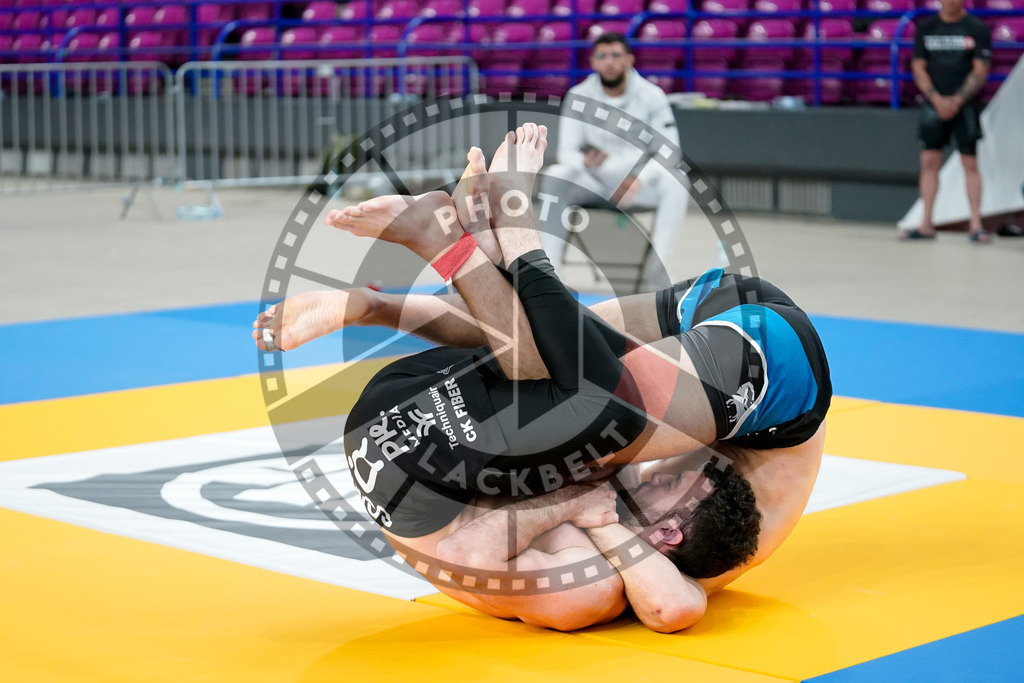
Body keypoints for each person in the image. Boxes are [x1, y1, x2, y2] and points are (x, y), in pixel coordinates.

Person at [253, 124, 830, 632]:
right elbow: (671, 609)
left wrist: (369, 307)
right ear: (669, 535)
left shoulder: (644, 546)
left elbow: (520, 346)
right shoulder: (701, 557)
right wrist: (590, 513)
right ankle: (512, 234)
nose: (648, 476)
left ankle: (431, 272)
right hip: (782, 375)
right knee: (610, 418)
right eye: (667, 480)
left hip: (719, 316)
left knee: (545, 363)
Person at [540, 32, 688, 280]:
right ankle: (550, 269)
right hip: (595, 182)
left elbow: (670, 151)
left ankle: (657, 272)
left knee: (678, 180)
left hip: (639, 186)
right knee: (557, 174)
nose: (609, 62)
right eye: (602, 56)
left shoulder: (652, 96)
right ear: (593, 62)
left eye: (616, 55)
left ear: (629, 59)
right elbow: (565, 152)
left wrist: (639, 177)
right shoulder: (579, 95)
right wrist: (583, 161)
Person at [902, 0, 991, 242]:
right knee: (929, 161)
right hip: (933, 105)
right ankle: (926, 223)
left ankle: (976, 224)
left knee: (969, 162)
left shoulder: (976, 28)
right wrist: (936, 98)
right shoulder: (927, 27)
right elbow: (919, 66)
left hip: (966, 106)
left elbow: (980, 68)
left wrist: (957, 100)